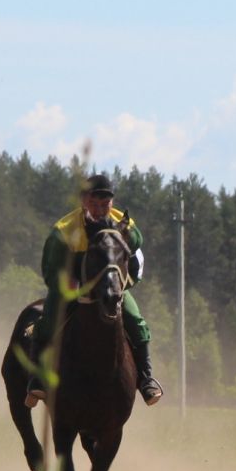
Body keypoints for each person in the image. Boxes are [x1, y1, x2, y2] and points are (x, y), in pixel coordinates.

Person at [27, 173, 162, 406]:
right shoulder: (64, 230)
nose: (100, 209)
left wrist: (118, 286)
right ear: (82, 200)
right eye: (93, 203)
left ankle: (146, 379)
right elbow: (51, 272)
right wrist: (80, 289)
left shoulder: (127, 227)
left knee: (135, 320)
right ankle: (37, 379)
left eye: (105, 204)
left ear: (112, 202)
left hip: (112, 287)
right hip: (72, 289)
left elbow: (135, 264)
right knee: (49, 320)